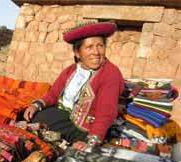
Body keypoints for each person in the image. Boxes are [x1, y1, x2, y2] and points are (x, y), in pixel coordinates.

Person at [23, 22, 125, 151]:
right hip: (64, 116)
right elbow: (53, 94)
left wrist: (92, 140)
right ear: (77, 52)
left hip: (85, 129)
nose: (96, 52)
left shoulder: (110, 74)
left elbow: (106, 113)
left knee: (45, 129)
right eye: (89, 47)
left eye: (100, 46)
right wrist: (37, 105)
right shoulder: (71, 70)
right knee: (31, 116)